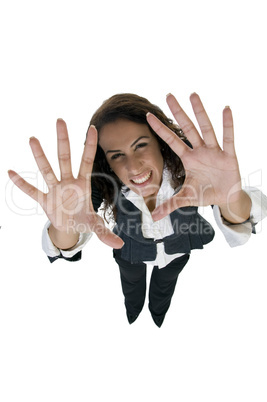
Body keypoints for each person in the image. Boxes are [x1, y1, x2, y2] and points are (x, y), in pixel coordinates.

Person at [8, 92, 267, 327]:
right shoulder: (104, 185)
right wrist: (64, 228)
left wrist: (231, 197)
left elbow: (242, 217)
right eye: (117, 155)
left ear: (160, 141)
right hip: (129, 253)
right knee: (131, 285)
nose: (133, 167)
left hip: (176, 252)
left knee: (165, 285)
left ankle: (158, 312)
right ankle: (132, 311)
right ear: (107, 163)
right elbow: (66, 238)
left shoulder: (193, 174)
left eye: (140, 145)